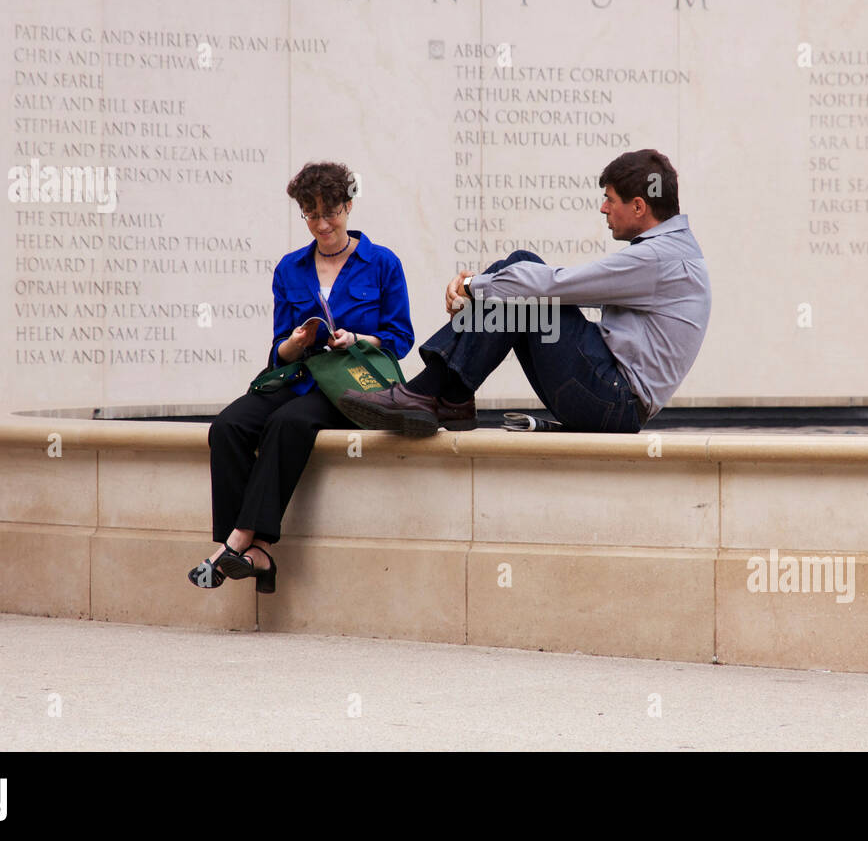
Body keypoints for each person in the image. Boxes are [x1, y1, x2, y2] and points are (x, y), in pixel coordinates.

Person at [337, 148, 709, 437]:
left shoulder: (659, 259)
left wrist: (472, 287)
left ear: (640, 206)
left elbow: (556, 285)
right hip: (610, 397)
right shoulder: (671, 254)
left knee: (523, 273)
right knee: (521, 283)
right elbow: (566, 291)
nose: (603, 208)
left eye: (611, 199)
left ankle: (434, 393)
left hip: (612, 400)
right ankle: (448, 398)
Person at [189, 161, 414, 593]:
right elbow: (278, 350)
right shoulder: (289, 268)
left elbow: (400, 339)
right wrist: (295, 341)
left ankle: (235, 543)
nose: (323, 224)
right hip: (298, 376)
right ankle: (256, 557)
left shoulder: (382, 263)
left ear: (349, 206)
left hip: (350, 384)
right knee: (228, 426)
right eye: (311, 214)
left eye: (331, 212)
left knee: (288, 423)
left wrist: (357, 338)